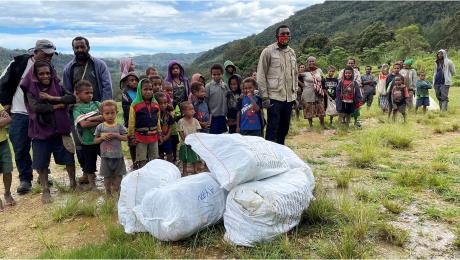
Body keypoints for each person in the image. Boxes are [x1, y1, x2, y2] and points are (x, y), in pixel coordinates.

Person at [0, 39, 57, 194]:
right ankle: (25, 179)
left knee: (42, 146)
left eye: (51, 55)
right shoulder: (18, 63)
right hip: (19, 113)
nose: (49, 58)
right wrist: (5, 102)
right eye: (46, 54)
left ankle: (43, 175)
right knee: (20, 146)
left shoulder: (49, 68)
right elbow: (3, 82)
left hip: (40, 113)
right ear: (35, 52)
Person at [22, 61, 77, 203]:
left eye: (47, 73)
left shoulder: (57, 85)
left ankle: (73, 184)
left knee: (68, 156)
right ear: (35, 75)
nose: (45, 76)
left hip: (61, 129)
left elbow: (71, 98)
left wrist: (53, 98)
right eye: (41, 74)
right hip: (40, 131)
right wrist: (57, 106)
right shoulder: (31, 89)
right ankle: (46, 190)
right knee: (41, 162)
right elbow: (36, 108)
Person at [63, 36, 112, 185]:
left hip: (98, 109)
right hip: (78, 111)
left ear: (88, 47)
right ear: (73, 49)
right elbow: (67, 90)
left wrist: (105, 109)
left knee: (102, 142)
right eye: (76, 47)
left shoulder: (99, 65)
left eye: (82, 47)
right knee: (81, 143)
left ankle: (108, 172)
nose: (79, 50)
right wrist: (73, 108)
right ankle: (86, 171)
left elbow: (107, 86)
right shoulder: (68, 69)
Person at [257, 25, 297, 145]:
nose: (285, 36)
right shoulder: (268, 51)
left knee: (284, 128)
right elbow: (261, 74)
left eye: (288, 34)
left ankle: (281, 152)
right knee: (272, 128)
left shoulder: (292, 52)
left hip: (288, 98)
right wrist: (264, 97)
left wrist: (294, 95)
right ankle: (270, 156)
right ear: (276, 36)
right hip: (274, 97)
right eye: (283, 34)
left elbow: (295, 74)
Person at [73, 80, 103, 191]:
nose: (90, 95)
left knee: (107, 160)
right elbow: (84, 124)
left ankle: (110, 181)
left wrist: (91, 119)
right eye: (86, 93)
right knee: (90, 165)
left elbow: (108, 115)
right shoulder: (77, 109)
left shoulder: (97, 104)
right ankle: (93, 186)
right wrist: (99, 120)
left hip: (101, 140)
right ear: (78, 94)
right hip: (88, 142)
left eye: (91, 92)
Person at [94, 100, 128, 196]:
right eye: (107, 113)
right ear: (102, 114)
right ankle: (108, 193)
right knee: (107, 176)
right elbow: (95, 140)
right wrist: (102, 138)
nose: (110, 115)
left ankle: (117, 190)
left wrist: (117, 136)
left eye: (112, 113)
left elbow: (126, 138)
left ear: (116, 113)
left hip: (118, 156)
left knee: (119, 175)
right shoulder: (100, 127)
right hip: (105, 156)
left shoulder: (119, 126)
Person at [128, 79, 161, 169]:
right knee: (142, 159)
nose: (148, 92)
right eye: (145, 89)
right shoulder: (135, 104)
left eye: (150, 89)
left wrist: (159, 132)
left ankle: (153, 176)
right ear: (140, 90)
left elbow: (158, 120)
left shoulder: (156, 104)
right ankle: (142, 176)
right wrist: (131, 136)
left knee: (154, 158)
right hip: (140, 137)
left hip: (154, 136)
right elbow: (131, 122)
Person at [300, 56, 326, 129]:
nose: (311, 62)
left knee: (320, 108)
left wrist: (322, 89)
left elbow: (323, 79)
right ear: (307, 62)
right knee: (308, 108)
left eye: (313, 61)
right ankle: (311, 126)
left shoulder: (319, 70)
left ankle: (322, 125)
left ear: (315, 61)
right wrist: (302, 84)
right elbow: (295, 76)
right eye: (309, 61)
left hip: (318, 92)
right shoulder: (304, 71)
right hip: (308, 92)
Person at [177, 101, 201, 176]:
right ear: (184, 111)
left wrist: (195, 140)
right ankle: (184, 171)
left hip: (194, 143)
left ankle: (195, 170)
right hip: (185, 143)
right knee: (185, 158)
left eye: (193, 109)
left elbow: (198, 131)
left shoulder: (195, 121)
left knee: (195, 157)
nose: (193, 111)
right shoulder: (181, 121)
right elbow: (180, 132)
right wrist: (185, 140)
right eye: (190, 109)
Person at [121, 71, 139, 165]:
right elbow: (127, 108)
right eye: (131, 80)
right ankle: (134, 161)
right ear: (127, 82)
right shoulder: (125, 94)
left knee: (140, 142)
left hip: (141, 122)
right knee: (132, 142)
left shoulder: (140, 92)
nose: (134, 82)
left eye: (136, 80)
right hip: (131, 122)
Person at [206, 64, 229, 134]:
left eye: (218, 74)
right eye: (214, 74)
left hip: (223, 116)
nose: (216, 76)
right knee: (214, 136)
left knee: (223, 135)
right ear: (211, 75)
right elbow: (206, 101)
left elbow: (227, 98)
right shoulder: (208, 86)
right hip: (213, 117)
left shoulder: (225, 85)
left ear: (222, 74)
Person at [0, 104, 16, 210]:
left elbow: (9, 119)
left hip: (3, 142)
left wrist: (3, 120)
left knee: (7, 169)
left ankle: (7, 193)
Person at [156, 92, 174, 162]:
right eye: (160, 103)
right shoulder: (154, 115)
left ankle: (170, 167)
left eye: (165, 103)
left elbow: (170, 126)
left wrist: (167, 136)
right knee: (160, 155)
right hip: (157, 139)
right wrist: (159, 137)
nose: (163, 105)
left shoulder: (168, 114)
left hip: (167, 138)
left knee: (169, 153)